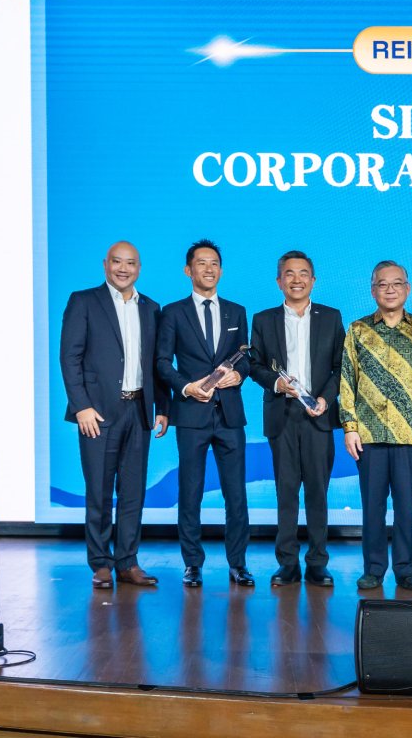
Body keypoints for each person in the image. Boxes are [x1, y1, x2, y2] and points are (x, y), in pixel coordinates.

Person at [58, 241, 169, 589]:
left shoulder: (151, 307)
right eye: (117, 262)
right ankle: (101, 563)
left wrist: (162, 407)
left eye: (130, 263)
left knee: (134, 491)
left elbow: (156, 364)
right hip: (97, 412)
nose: (124, 269)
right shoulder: (83, 301)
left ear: (139, 268)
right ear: (105, 264)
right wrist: (81, 406)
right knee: (99, 490)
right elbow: (70, 358)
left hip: (139, 410)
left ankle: (127, 561)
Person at [155, 239, 253, 588]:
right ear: (188, 270)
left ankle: (238, 564)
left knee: (236, 494)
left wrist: (240, 375)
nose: (209, 269)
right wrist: (186, 387)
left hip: (230, 416)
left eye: (214, 263)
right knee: (190, 492)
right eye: (201, 263)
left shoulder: (237, 311)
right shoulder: (173, 312)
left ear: (220, 271)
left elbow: (247, 357)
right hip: (191, 415)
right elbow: (162, 362)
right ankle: (192, 564)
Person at [340, 260, 412, 592]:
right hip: (368, 435)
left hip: (410, 434)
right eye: (382, 284)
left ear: (407, 289)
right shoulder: (358, 330)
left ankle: (406, 570)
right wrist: (350, 427)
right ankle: (373, 569)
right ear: (373, 291)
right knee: (372, 507)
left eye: (397, 283)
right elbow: (347, 381)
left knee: (406, 507)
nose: (390, 290)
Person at [249, 251, 345, 587]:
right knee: (286, 492)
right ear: (279, 281)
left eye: (303, 273)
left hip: (319, 415)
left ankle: (318, 562)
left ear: (313, 281)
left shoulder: (331, 317)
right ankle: (287, 563)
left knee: (318, 492)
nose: (296, 279)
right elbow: (254, 365)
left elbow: (340, 367)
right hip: (283, 415)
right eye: (289, 274)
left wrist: (325, 399)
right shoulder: (264, 320)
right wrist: (277, 384)